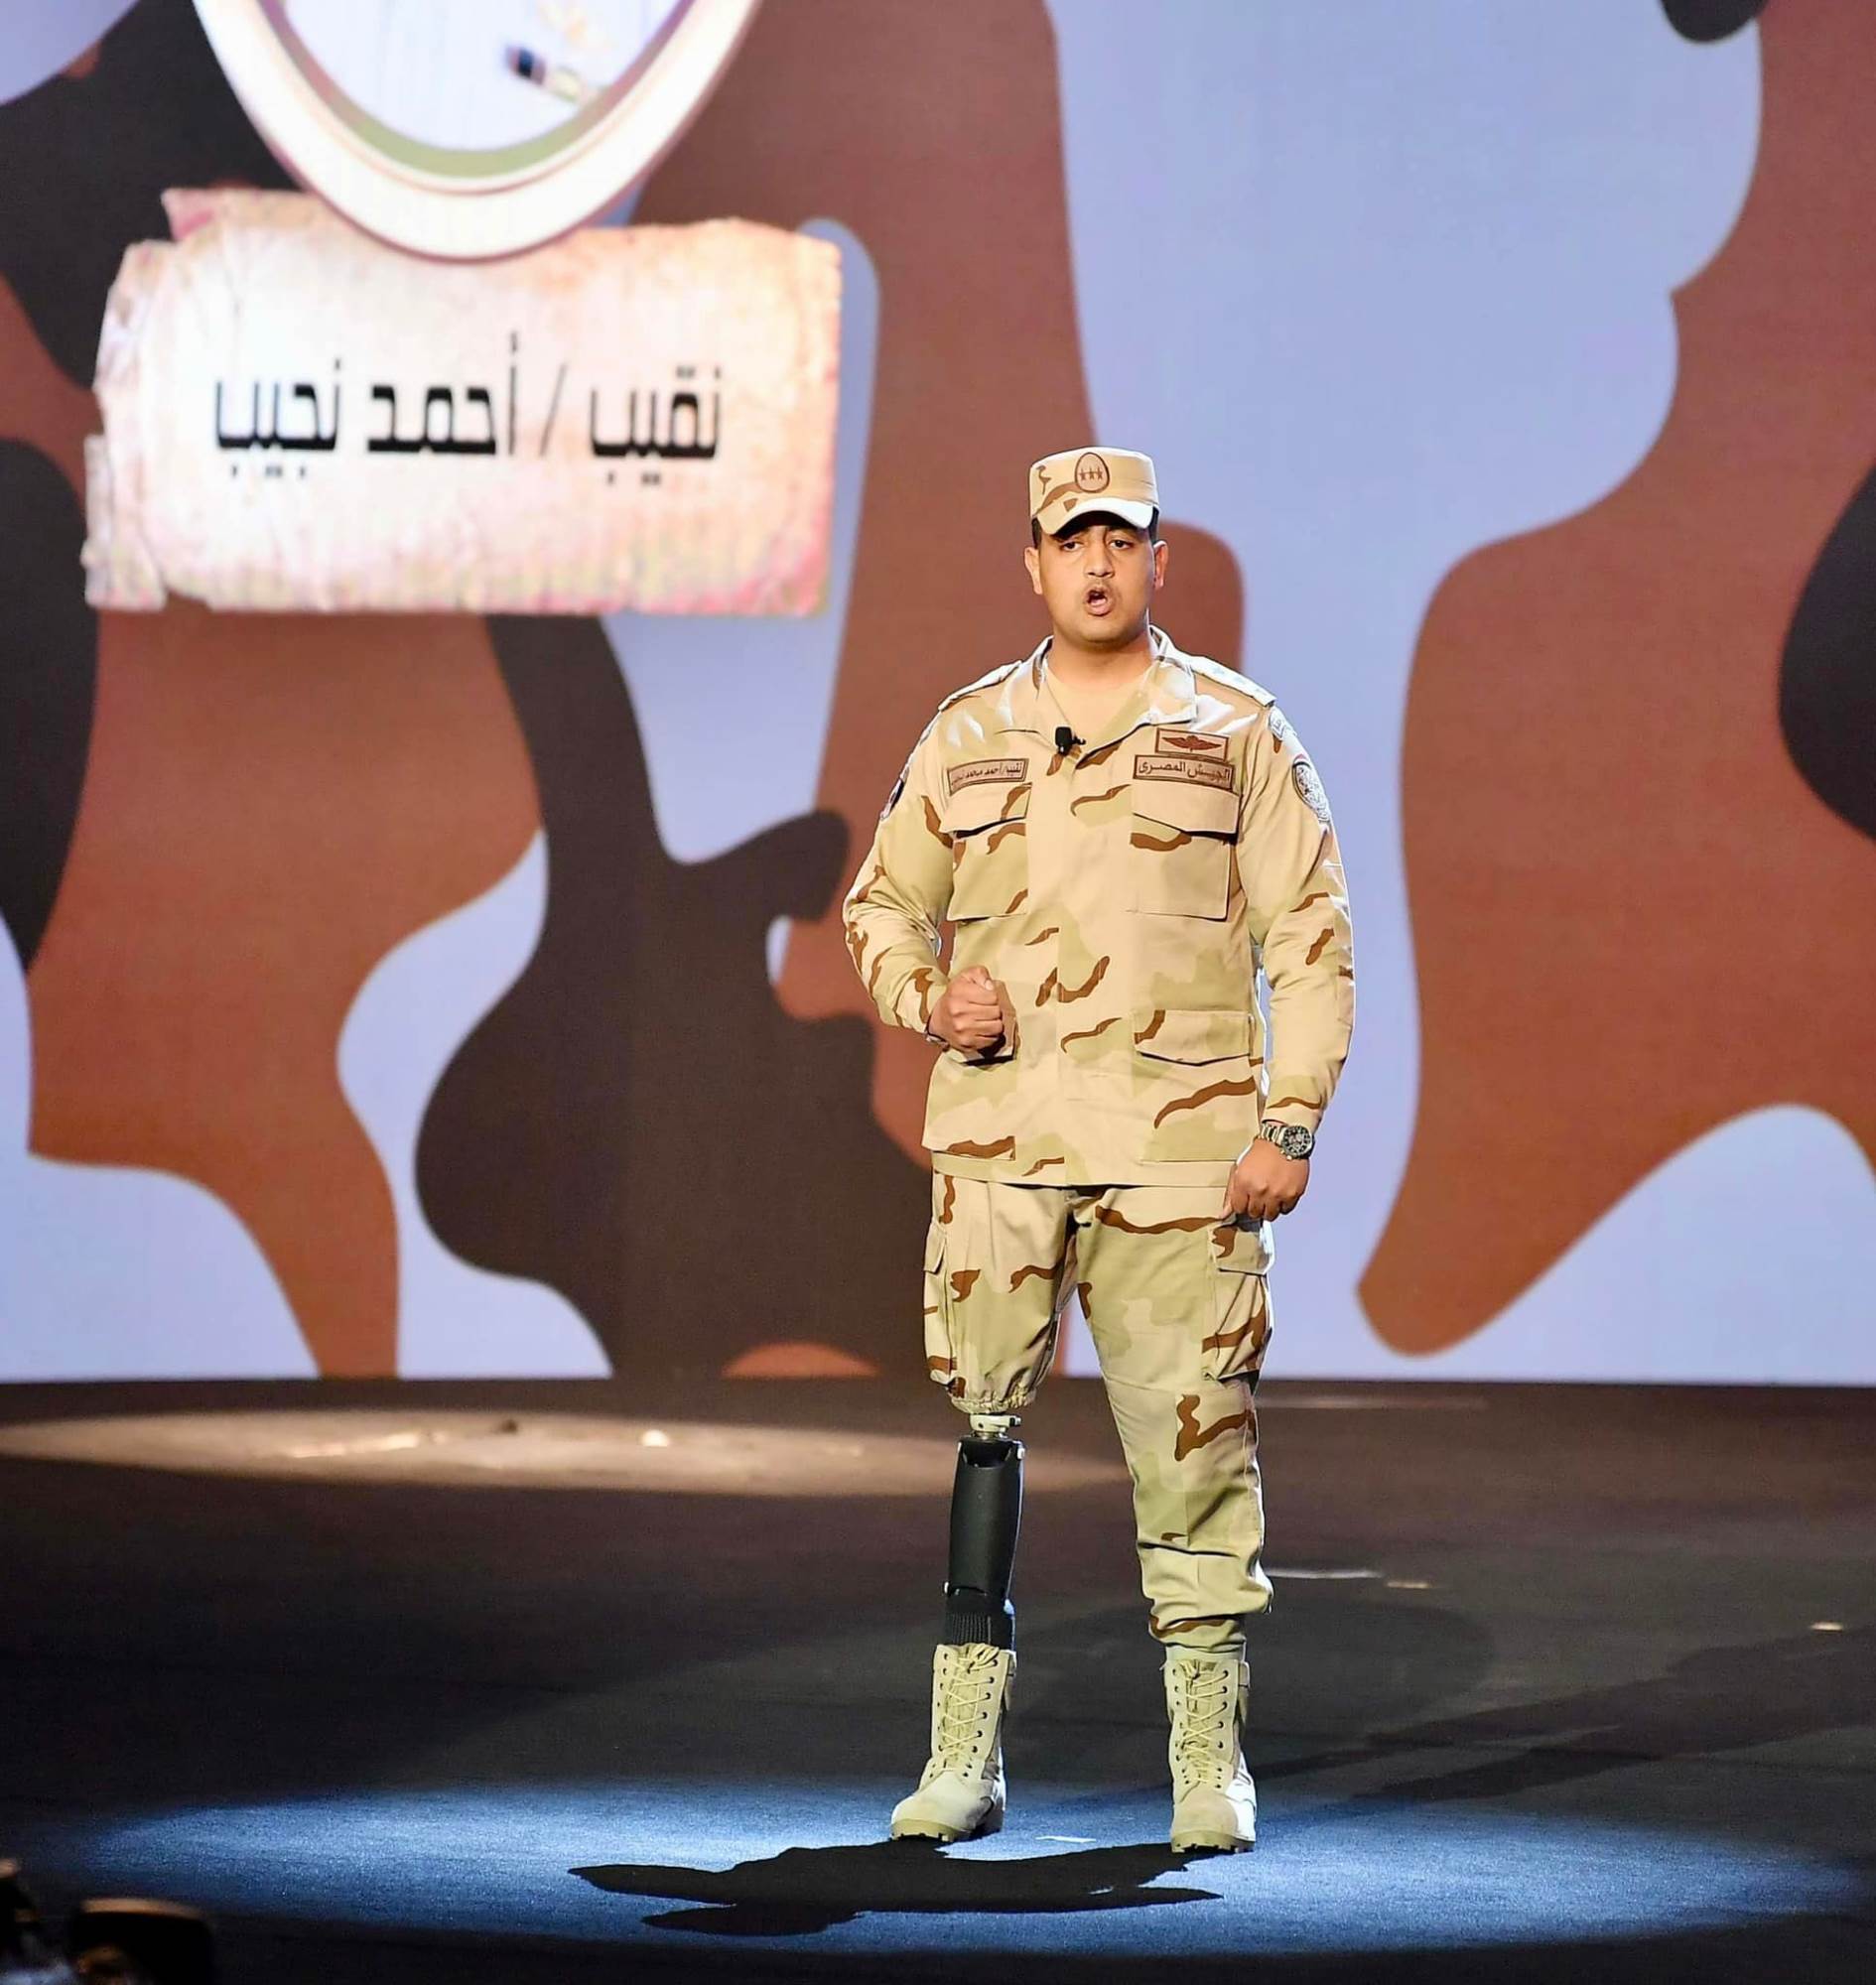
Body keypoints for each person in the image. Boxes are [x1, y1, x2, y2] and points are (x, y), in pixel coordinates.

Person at [841, 446, 1354, 1853]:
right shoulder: (970, 733)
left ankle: (1207, 1760)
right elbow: (881, 904)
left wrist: (1290, 1119)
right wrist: (925, 996)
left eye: (1120, 539)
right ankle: (962, 1756)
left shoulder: (1236, 729)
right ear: (1033, 563)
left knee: (1195, 1439)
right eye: (1071, 540)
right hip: (1004, 1146)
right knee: (984, 1431)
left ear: (1157, 559)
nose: (1096, 564)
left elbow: (1311, 937)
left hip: (1181, 1155)